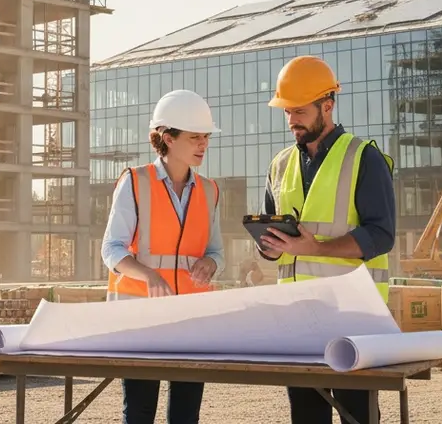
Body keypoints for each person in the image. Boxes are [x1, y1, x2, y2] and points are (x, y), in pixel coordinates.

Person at [256, 55, 396, 424]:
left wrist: (315, 249)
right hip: (298, 319)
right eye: (287, 111)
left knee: (357, 415)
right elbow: (275, 239)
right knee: (305, 416)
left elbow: (381, 235)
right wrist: (268, 248)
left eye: (299, 111)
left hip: (354, 317)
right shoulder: (280, 164)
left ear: (327, 105)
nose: (292, 120)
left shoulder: (364, 158)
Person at [101, 89, 224, 424]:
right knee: (140, 413)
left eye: (206, 137)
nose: (203, 145)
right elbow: (111, 248)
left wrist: (211, 264)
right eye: (195, 137)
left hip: (192, 316)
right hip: (141, 315)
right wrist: (149, 275)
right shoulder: (135, 182)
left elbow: (216, 252)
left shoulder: (210, 190)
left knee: (186, 415)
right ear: (167, 138)